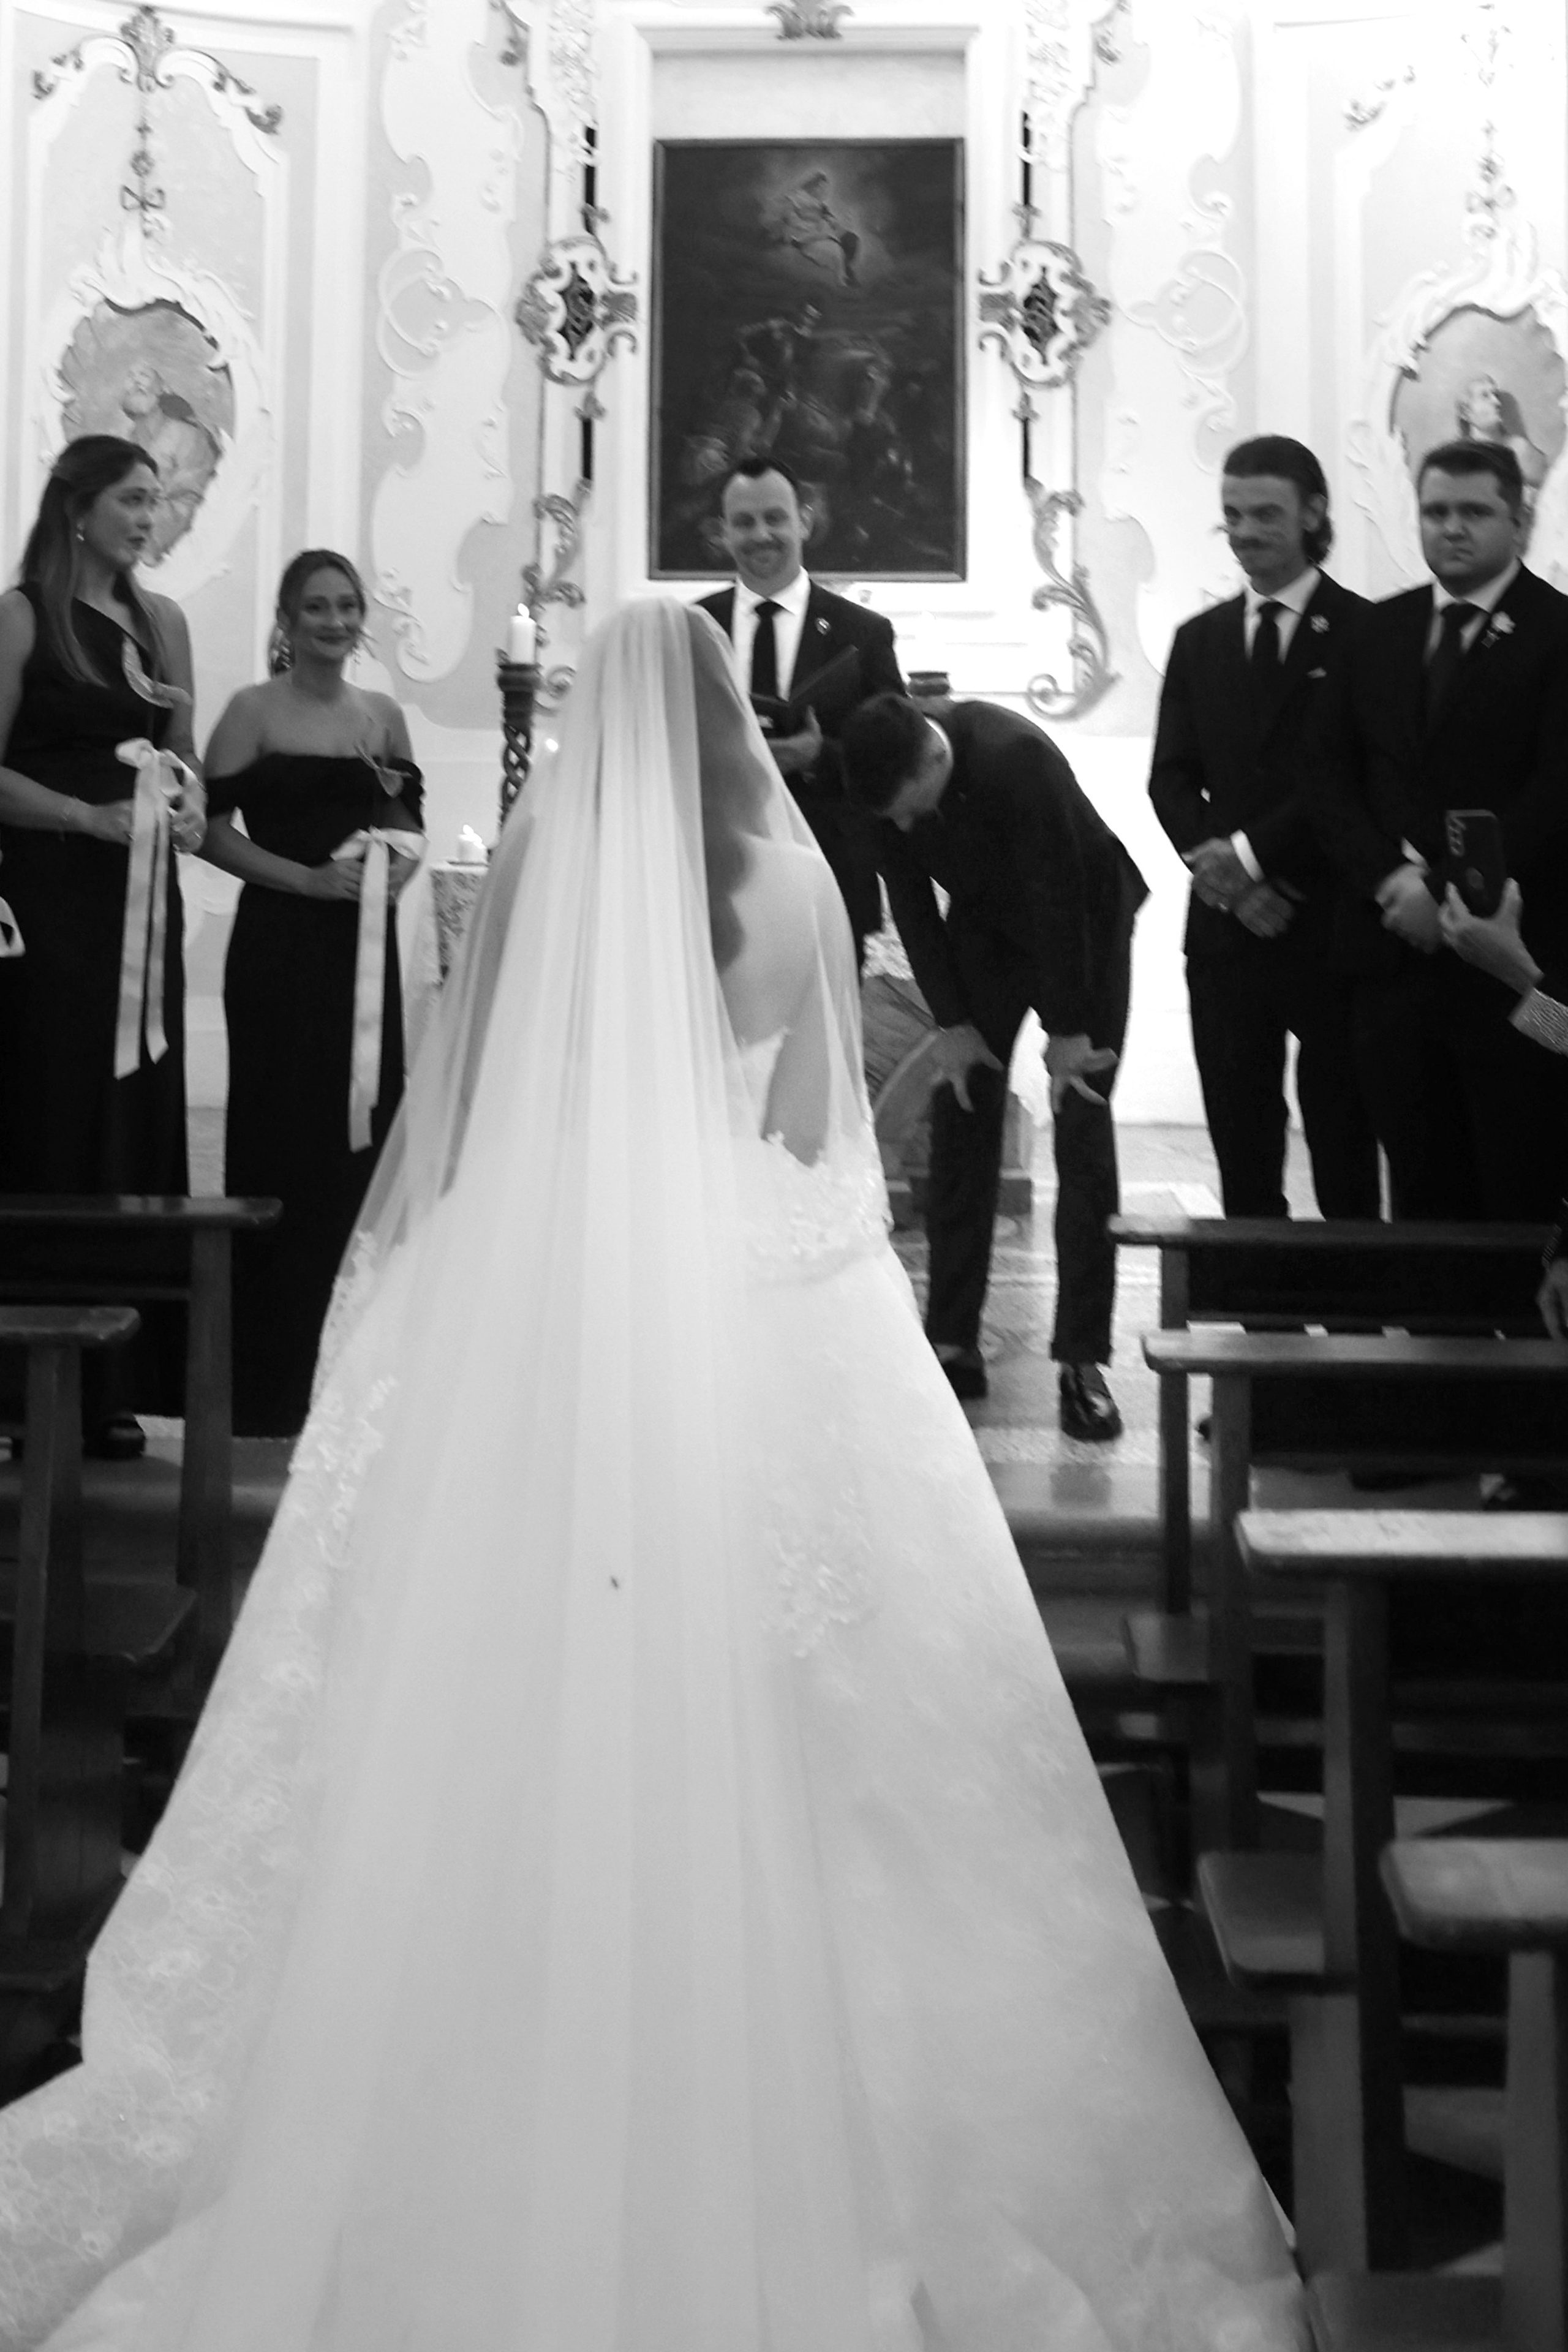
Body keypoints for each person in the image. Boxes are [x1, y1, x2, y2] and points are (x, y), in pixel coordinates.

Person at [0, 601, 1305, 2352]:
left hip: (566, 1280)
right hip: (779, 1309)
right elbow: (816, 1131)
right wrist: (783, 1246)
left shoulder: (545, 851)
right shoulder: (789, 873)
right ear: (723, 723)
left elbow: (478, 1091)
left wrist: (444, 1263)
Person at [841, 690, 1147, 1438]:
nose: (908, 829)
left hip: (1085, 922)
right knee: (963, 1108)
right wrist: (951, 1024)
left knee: (1081, 1127)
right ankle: (951, 1339)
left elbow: (1059, 895)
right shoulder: (882, 776)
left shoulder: (1017, 757)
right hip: (986, 924)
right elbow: (910, 901)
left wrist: (1069, 1032)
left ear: (936, 756)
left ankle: (1082, 1362)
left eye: (914, 811)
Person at [0, 435, 205, 1458]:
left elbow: (189, 765)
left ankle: (116, 1384)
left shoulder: (164, 626)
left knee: (133, 1114)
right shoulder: (23, 617)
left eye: (156, 500)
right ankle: (26, 1387)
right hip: (51, 900)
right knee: (52, 1113)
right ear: (78, 508)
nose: (147, 516)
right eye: (132, 499)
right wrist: (87, 820)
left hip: (143, 903)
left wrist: (189, 806)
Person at [1314, 437, 1568, 1221]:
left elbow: (1555, 792)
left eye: (1474, 512)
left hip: (1511, 965)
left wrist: (1444, 892)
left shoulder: (1558, 632)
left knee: (1514, 1194)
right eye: (1435, 512)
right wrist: (1391, 884)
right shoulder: (1374, 632)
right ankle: (1428, 1343)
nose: (1451, 528)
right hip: (1392, 962)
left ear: (1519, 522)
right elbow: (1328, 779)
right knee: (1418, 1205)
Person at [200, 551, 423, 1436]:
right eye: (316, 609)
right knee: (282, 1146)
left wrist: (394, 871)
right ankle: (269, 1384)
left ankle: (355, 1376)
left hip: (364, 961)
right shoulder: (251, 713)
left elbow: (407, 821)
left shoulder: (384, 716)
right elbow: (206, 834)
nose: (334, 622)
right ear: (287, 622)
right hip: (278, 951)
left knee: (360, 1153)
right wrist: (304, 881)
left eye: (346, 607)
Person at [1149, 436, 1380, 1218]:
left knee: (1345, 1142)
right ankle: (1261, 1328)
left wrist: (1250, 857)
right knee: (1242, 1148)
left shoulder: (1366, 636)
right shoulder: (1199, 639)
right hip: (1225, 934)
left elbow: (1354, 785)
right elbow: (1170, 779)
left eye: (1266, 514)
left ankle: (1355, 1329)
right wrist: (1230, 885)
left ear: (1313, 514)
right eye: (1233, 516)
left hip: (1333, 928)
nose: (1246, 532)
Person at [698, 456, 905, 966]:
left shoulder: (863, 634)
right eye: (743, 522)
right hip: (718, 882)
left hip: (831, 880)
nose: (760, 534)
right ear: (723, 533)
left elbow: (896, 758)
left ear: (805, 522)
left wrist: (819, 756)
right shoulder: (695, 627)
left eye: (775, 517)